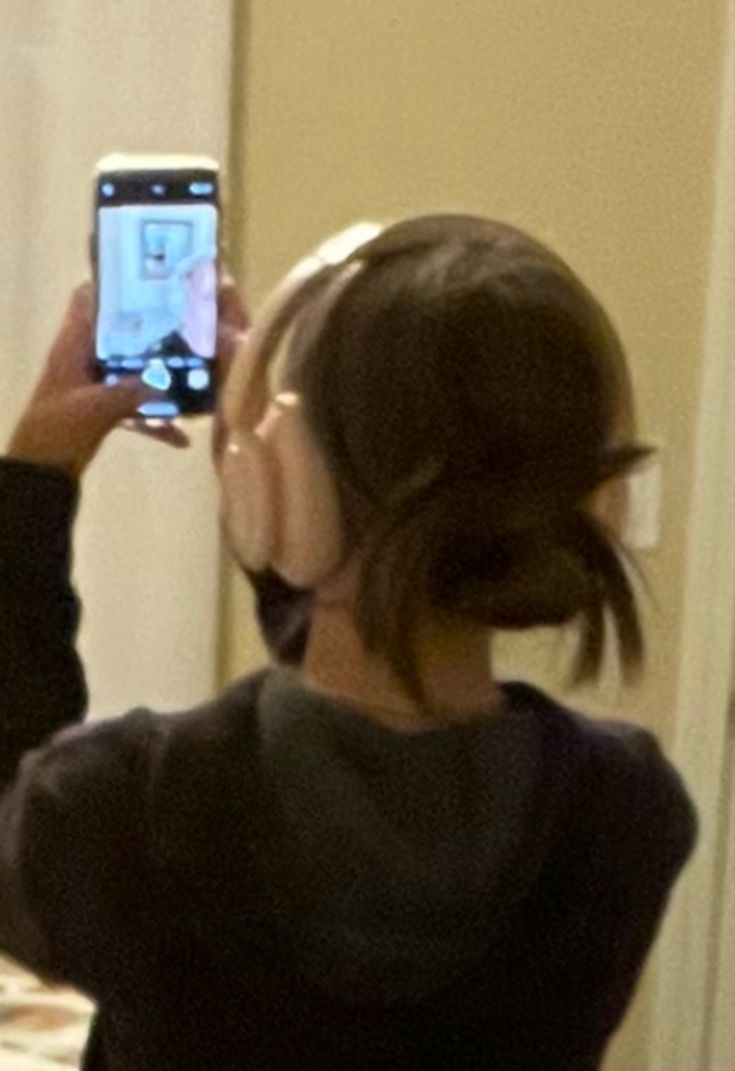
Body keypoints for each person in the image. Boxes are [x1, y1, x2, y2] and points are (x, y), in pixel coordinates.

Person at [0, 214, 697, 1071]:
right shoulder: (624, 814)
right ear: (598, 504)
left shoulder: (118, 811)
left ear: (277, 484)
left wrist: (36, 472)